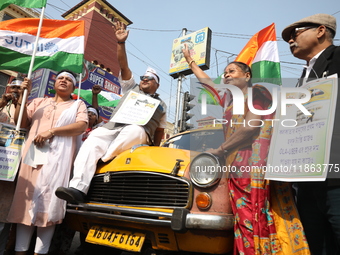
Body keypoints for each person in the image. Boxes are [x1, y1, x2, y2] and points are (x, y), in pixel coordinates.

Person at [182, 45, 310, 254]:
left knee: (253, 217)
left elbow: (251, 126)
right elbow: (206, 82)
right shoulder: (229, 99)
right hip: (235, 168)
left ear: (247, 75)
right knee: (243, 222)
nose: (226, 76)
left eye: (231, 71)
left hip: (252, 165)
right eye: (224, 74)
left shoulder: (257, 94)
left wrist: (221, 149)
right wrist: (190, 61)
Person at [55, 20, 167, 204]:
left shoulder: (162, 105)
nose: (144, 79)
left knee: (135, 130)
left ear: (157, 84)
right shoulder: (132, 88)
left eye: (149, 78)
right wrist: (121, 43)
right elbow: (123, 66)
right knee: (94, 138)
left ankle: (104, 159)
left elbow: (160, 131)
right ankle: (77, 189)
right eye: (143, 77)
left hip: (138, 133)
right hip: (113, 128)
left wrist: (155, 150)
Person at [7, 70, 88, 255]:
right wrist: (24, 96)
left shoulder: (77, 105)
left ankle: (40, 252)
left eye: (69, 79)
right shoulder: (39, 102)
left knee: (48, 206)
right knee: (25, 205)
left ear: (73, 86)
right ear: (54, 82)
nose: (64, 81)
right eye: (61, 78)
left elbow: (81, 126)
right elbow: (21, 121)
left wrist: (52, 131)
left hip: (57, 163)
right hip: (31, 159)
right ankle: (20, 251)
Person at [282, 13, 340, 254]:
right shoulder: (302, 78)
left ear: (320, 31)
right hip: (306, 179)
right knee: (316, 243)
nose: (290, 41)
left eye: (296, 33)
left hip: (335, 178)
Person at [0, 79, 23, 255]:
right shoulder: (2, 103)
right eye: (13, 87)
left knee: (5, 209)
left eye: (19, 88)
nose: (15, 90)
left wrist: (20, 103)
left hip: (11, 166)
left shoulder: (26, 107)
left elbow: (24, 124)